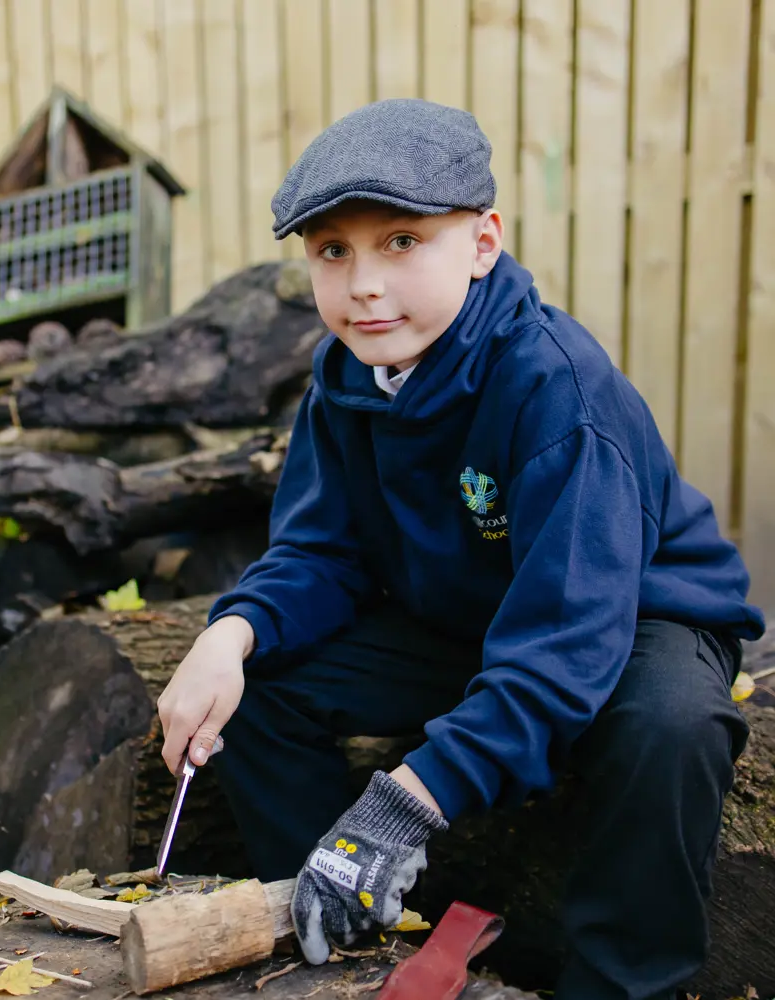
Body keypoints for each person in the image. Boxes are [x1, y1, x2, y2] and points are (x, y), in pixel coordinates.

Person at [155, 98, 766, 1000]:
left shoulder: (556, 389)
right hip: (463, 617)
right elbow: (321, 555)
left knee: (670, 730)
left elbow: (567, 637)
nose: (365, 283)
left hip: (629, 616)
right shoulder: (345, 387)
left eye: (402, 241)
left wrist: (407, 802)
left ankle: (619, 981)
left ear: (482, 244)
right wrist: (230, 635)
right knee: (258, 692)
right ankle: (333, 924)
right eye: (334, 250)